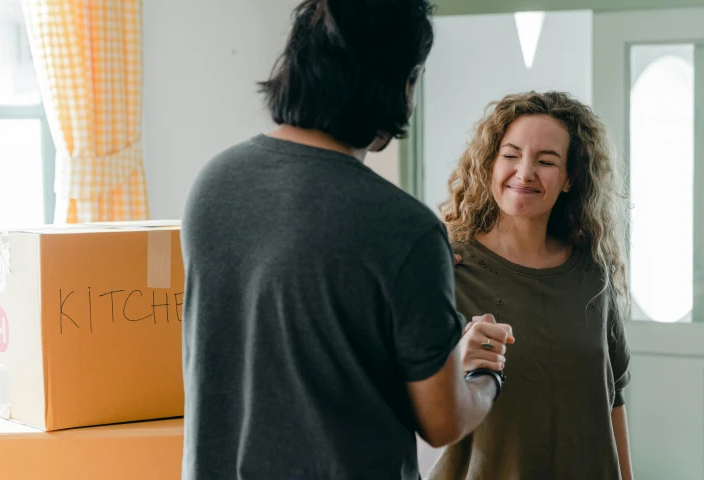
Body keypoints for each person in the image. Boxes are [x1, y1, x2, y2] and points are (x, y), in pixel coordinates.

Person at [179, 1, 515, 479]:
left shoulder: (213, 184)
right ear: (402, 82)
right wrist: (484, 377)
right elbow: (442, 421)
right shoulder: (404, 228)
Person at [429, 91, 634, 480]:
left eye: (546, 161)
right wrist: (455, 362)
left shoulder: (592, 273)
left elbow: (613, 398)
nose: (524, 172)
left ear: (570, 178)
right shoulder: (445, 269)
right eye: (510, 155)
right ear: (490, 164)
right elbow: (403, 400)